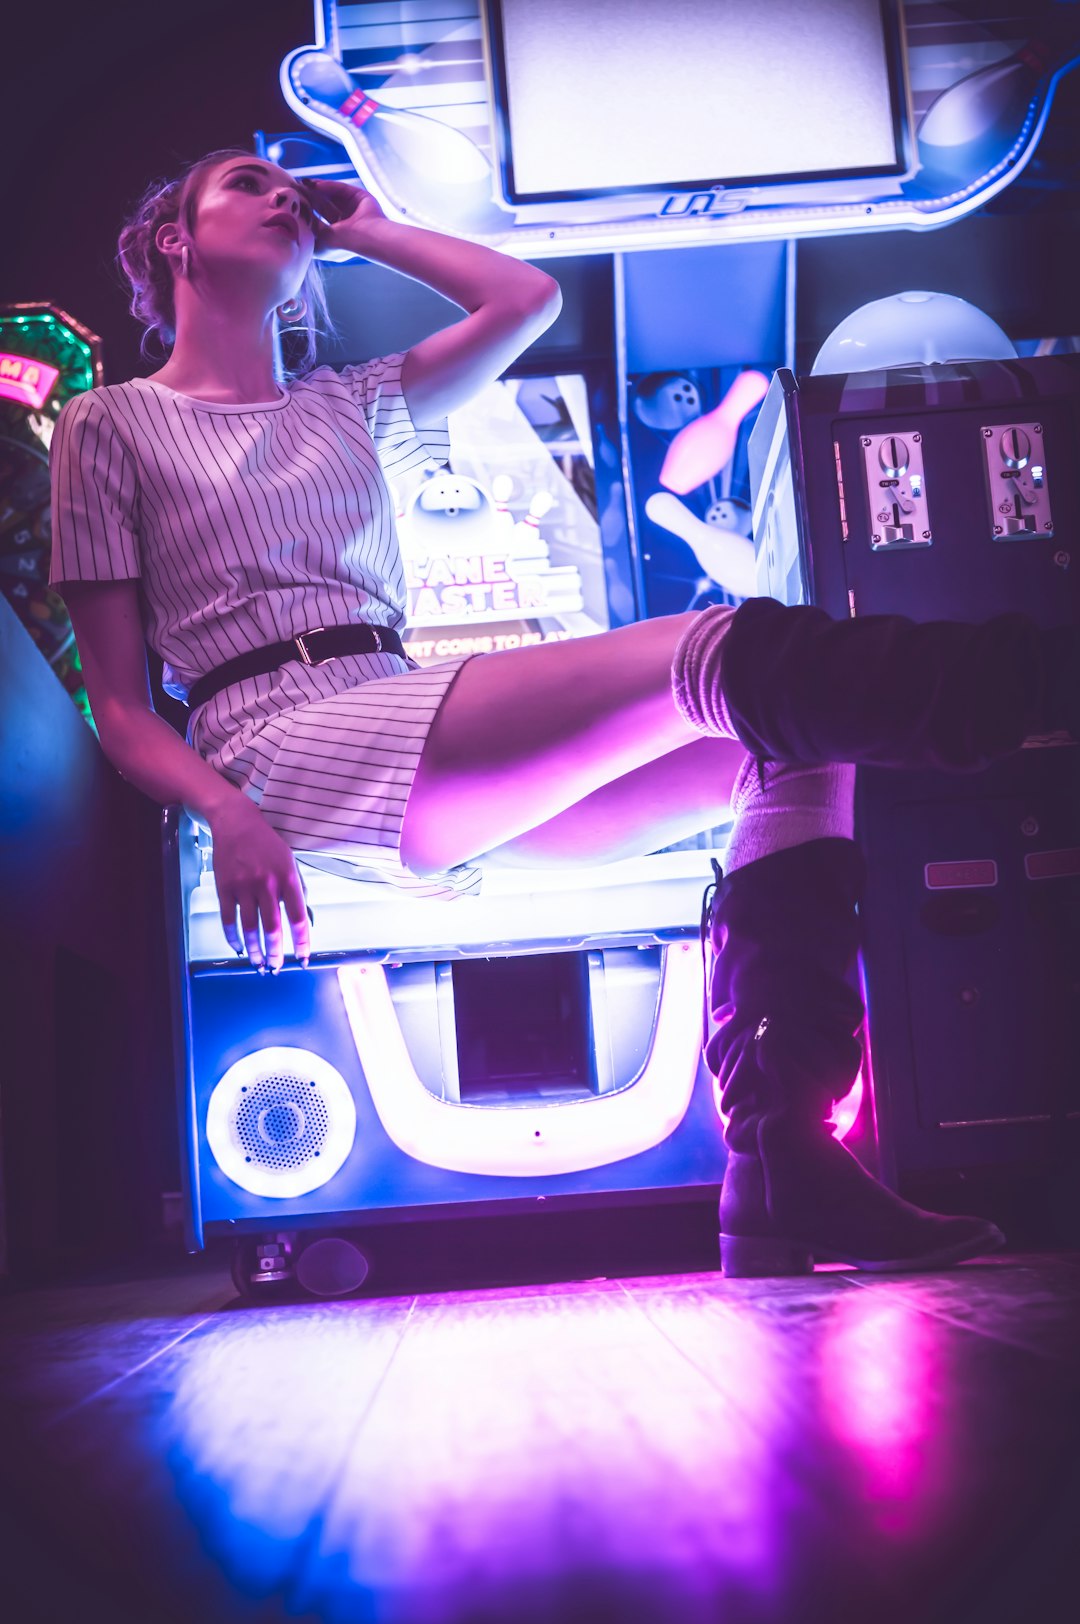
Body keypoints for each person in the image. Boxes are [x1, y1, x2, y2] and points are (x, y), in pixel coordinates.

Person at [49, 150, 1075, 1277]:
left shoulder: (348, 403)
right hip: (273, 745)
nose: (281, 193)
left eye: (290, 187)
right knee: (718, 643)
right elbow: (117, 705)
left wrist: (369, 226)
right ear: (172, 239)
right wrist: (223, 812)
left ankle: (784, 1166)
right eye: (246, 183)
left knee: (783, 745)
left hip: (391, 705)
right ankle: (1022, 687)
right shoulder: (112, 423)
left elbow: (522, 302)